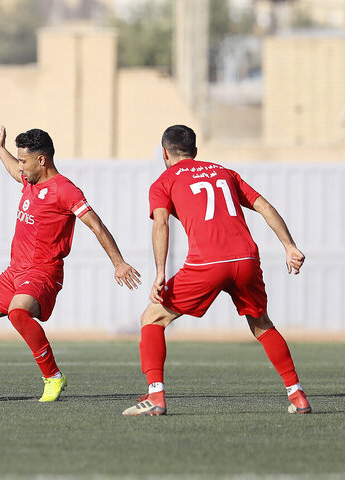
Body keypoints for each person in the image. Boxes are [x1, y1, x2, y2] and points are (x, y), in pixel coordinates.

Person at [0, 126, 141, 401]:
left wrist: (118, 262)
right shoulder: (30, 179)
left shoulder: (65, 190)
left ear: (42, 160)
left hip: (43, 271)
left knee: (18, 313)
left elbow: (96, 225)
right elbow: (15, 170)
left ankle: (53, 377)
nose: (21, 166)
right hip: (16, 269)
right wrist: (1, 151)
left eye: (24, 160)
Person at [122, 125, 311, 416]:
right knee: (261, 324)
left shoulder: (164, 180)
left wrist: (160, 272)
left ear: (164, 153)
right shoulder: (225, 173)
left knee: (152, 317)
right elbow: (264, 206)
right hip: (247, 259)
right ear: (195, 152)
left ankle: (156, 396)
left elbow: (161, 223)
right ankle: (297, 395)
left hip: (207, 263)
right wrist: (290, 246)